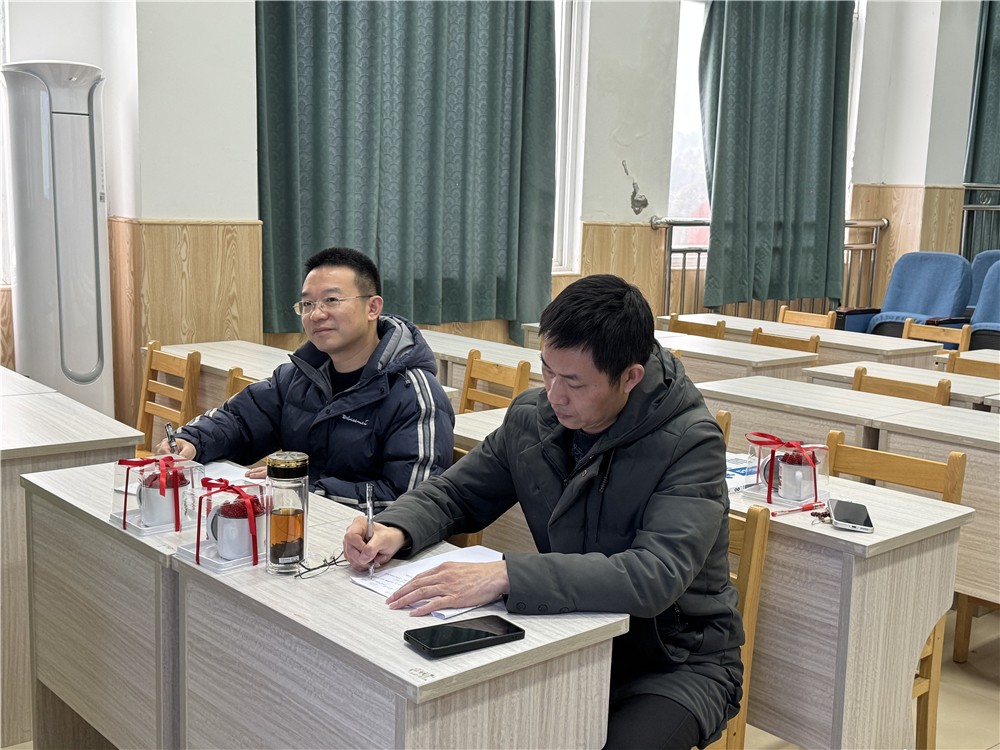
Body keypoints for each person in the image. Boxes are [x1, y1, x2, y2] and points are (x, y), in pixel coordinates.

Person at [344, 274, 742, 749]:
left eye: (574, 382)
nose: (554, 394)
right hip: (564, 637)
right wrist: (394, 527)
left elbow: (655, 575)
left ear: (630, 377)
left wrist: (507, 575)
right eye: (547, 371)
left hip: (671, 663)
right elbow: (457, 493)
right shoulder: (533, 418)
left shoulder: (691, 442)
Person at [158, 246, 455, 508]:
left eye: (332, 300)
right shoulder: (298, 376)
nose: (316, 314)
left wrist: (303, 487)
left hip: (368, 543)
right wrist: (192, 441)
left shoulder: (414, 394)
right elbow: (240, 420)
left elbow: (411, 499)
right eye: (308, 304)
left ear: (372, 308)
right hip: (298, 524)